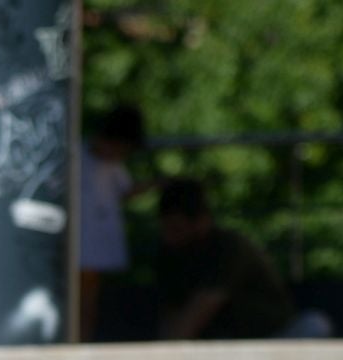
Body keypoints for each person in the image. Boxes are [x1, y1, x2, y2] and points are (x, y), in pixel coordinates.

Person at [156, 179, 313, 340]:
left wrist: (167, 352)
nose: (169, 237)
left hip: (274, 335)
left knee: (314, 324)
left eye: (176, 229)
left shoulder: (227, 247)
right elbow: (171, 316)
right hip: (226, 342)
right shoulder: (170, 255)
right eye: (165, 229)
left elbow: (201, 310)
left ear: (202, 221)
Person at [79, 104, 150, 340]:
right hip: (79, 242)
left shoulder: (113, 165)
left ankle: (83, 340)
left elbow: (125, 190)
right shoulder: (77, 156)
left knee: (89, 298)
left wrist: (157, 183)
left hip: (95, 243)